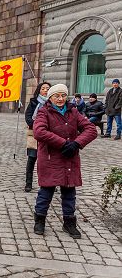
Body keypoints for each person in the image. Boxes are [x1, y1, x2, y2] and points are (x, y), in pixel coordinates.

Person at [33, 84, 97, 239]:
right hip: (51, 157)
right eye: (57, 96)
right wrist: (62, 143)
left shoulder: (74, 112)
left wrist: (76, 143)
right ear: (50, 98)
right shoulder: (44, 112)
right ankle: (39, 220)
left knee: (69, 192)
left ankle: (69, 222)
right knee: (46, 191)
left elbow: (91, 129)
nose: (60, 99)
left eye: (63, 95)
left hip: (69, 157)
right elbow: (39, 132)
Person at [24, 82, 51, 192]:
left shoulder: (53, 103)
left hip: (49, 135)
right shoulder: (33, 102)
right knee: (32, 159)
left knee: (48, 160)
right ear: (39, 90)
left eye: (47, 88)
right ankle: (28, 183)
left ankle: (49, 182)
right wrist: (38, 126)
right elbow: (28, 117)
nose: (45, 90)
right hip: (34, 134)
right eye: (43, 88)